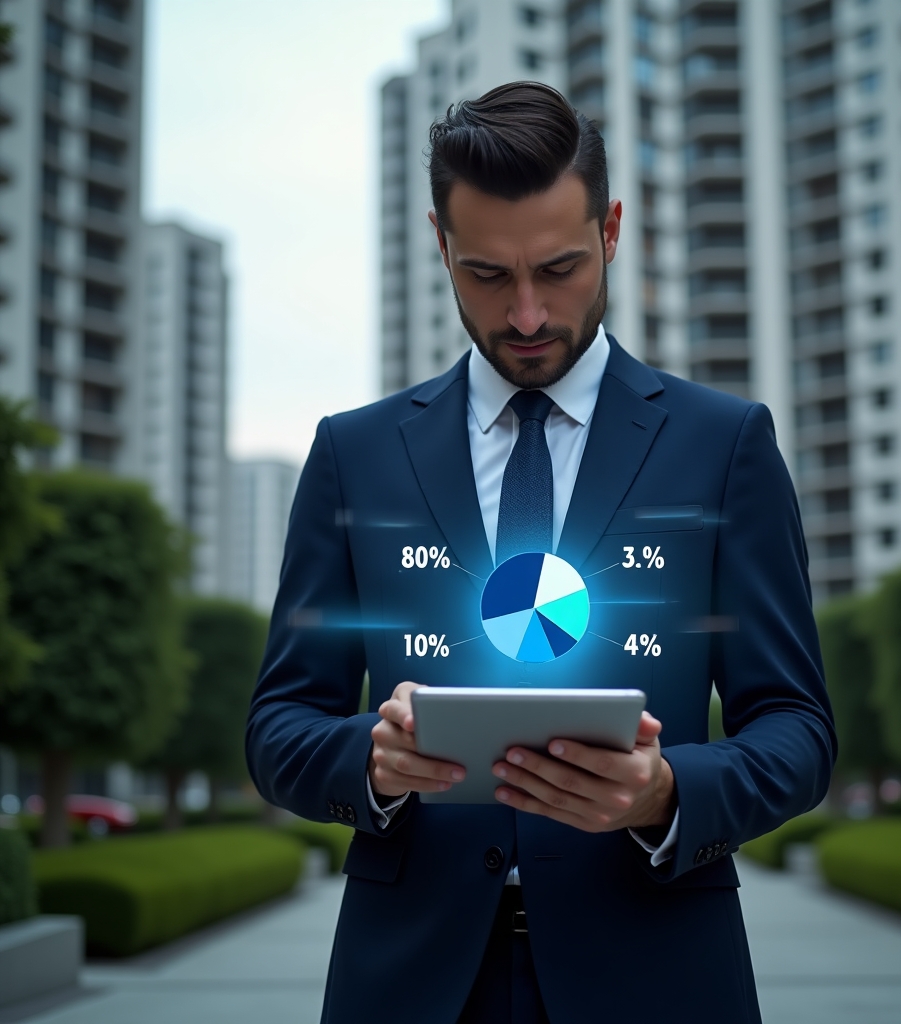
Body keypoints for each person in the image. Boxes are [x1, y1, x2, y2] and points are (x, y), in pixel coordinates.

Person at [246, 82, 836, 1024]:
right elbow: (279, 725)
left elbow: (799, 730)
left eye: (558, 268)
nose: (526, 315)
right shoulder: (354, 456)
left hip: (658, 978)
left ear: (610, 230)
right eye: (487, 275)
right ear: (440, 244)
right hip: (409, 985)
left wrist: (668, 791)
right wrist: (374, 759)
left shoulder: (723, 447)